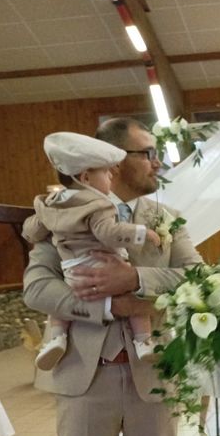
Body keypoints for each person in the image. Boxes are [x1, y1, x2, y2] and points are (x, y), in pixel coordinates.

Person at [23, 118, 203, 436]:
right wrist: (105, 306)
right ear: (115, 163)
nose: (157, 162)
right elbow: (36, 287)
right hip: (83, 378)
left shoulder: (166, 219)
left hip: (154, 376)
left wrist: (134, 277)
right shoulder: (61, 212)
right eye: (148, 152)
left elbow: (197, 276)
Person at [22, 132, 162, 370]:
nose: (111, 175)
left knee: (60, 308)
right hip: (101, 265)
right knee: (137, 302)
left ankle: (56, 338)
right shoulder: (99, 204)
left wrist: (39, 227)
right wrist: (142, 234)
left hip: (73, 273)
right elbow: (108, 232)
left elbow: (30, 231)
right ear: (86, 177)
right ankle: (144, 342)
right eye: (107, 172)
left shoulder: (52, 205)